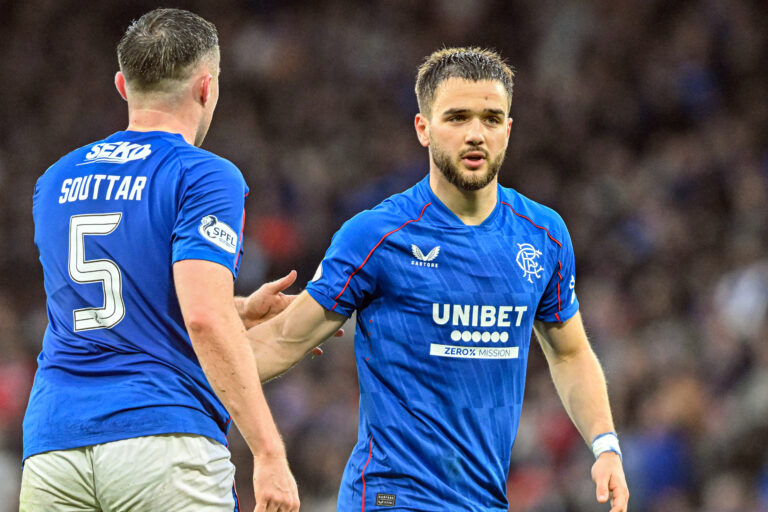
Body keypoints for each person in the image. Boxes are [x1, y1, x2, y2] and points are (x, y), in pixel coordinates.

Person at [246, 47, 630, 511]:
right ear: (423, 129)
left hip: (484, 501)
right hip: (390, 498)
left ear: (508, 130)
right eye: (457, 117)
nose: (475, 134)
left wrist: (605, 445)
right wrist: (175, 372)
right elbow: (284, 340)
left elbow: (570, 353)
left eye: (491, 119)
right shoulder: (378, 235)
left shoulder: (543, 234)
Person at [21, 8, 303, 512]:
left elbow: (106, 305)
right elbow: (202, 316)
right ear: (206, 87)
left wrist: (234, 308)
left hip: (52, 447)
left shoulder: (54, 181)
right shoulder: (203, 175)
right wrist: (268, 451)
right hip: (161, 441)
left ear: (122, 86)